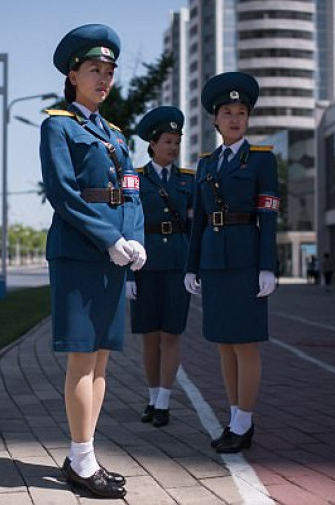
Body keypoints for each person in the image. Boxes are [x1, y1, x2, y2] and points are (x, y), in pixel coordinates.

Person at [39, 23, 145, 499]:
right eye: (93, 70)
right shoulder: (57, 125)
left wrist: (135, 239)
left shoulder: (117, 136)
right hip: (80, 253)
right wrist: (107, 237)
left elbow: (133, 193)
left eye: (108, 72)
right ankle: (82, 463)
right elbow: (62, 193)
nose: (103, 79)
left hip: (112, 255)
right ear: (72, 75)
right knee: (83, 358)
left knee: (101, 360)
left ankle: (84, 454)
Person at [183, 72, 279, 453]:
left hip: (246, 259)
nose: (235, 118)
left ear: (248, 118)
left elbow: (269, 214)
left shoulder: (262, 160)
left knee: (246, 345)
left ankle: (244, 422)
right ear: (215, 120)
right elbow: (198, 221)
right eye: (227, 112)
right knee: (223, 343)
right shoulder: (205, 165)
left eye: (242, 112)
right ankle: (233, 417)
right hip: (212, 260)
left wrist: (268, 266)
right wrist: (192, 266)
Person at [125, 106, 194, 428]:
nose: (173, 147)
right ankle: (152, 398)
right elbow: (128, 225)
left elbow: (197, 226)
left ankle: (164, 402)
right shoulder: (136, 180)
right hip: (145, 265)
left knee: (172, 335)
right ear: (152, 144)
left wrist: (195, 268)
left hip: (177, 265)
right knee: (149, 337)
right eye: (167, 141)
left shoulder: (188, 181)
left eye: (176, 141)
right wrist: (128, 273)